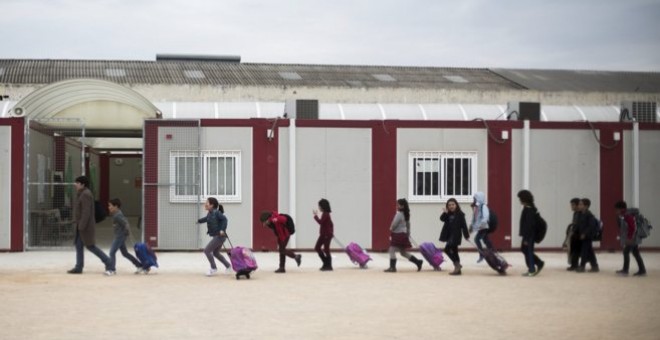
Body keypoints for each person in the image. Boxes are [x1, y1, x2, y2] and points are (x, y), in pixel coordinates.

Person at [67, 176, 113, 275]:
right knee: (79, 246)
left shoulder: (85, 194)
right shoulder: (81, 193)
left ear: (83, 184)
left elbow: (86, 212)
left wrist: (81, 226)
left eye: (77, 183)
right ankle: (78, 267)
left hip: (85, 226)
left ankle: (109, 262)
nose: (75, 184)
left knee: (91, 246)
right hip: (81, 226)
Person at [384, 198, 423, 273]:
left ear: (402, 206)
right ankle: (418, 262)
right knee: (402, 252)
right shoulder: (406, 214)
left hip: (398, 234)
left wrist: (391, 228)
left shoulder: (399, 214)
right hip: (403, 234)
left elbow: (394, 223)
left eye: (398, 205)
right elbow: (408, 224)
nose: (396, 206)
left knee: (391, 249)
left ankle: (392, 268)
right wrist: (408, 232)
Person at [107, 198, 143, 274]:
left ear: (116, 206)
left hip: (119, 237)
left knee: (112, 252)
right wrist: (126, 233)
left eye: (110, 206)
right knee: (125, 253)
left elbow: (125, 223)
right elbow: (125, 222)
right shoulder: (117, 214)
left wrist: (126, 233)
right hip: (120, 236)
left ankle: (112, 269)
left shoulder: (117, 215)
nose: (109, 207)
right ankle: (139, 265)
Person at [197, 197, 231, 276]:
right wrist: (199, 221)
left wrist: (222, 229)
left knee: (207, 250)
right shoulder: (210, 213)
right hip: (218, 237)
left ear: (212, 205)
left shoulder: (217, 213)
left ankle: (213, 268)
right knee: (215, 253)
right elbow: (207, 219)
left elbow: (225, 219)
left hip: (220, 236)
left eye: (207, 203)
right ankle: (228, 266)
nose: (205, 204)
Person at [615, 201, 646, 276]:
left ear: (621, 209)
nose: (616, 211)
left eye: (617, 209)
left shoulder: (627, 216)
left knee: (626, 252)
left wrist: (630, 238)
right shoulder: (623, 216)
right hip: (632, 238)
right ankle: (642, 270)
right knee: (636, 253)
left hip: (632, 238)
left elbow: (632, 227)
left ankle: (625, 270)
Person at [517, 189, 545, 277]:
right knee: (524, 249)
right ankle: (539, 263)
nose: (519, 200)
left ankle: (532, 269)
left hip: (529, 235)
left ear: (524, 199)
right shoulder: (528, 208)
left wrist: (526, 238)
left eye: (520, 198)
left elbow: (529, 226)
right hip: (528, 235)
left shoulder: (529, 210)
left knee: (529, 251)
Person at [439, 198, 470, 275]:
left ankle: (457, 265)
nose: (451, 206)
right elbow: (442, 219)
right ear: (447, 206)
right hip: (449, 235)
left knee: (447, 249)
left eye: (453, 204)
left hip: (456, 236)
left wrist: (466, 235)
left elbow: (464, 226)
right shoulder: (448, 213)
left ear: (456, 205)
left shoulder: (460, 214)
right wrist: (445, 213)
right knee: (455, 252)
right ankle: (458, 269)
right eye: (449, 205)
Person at [576, 198, 599, 273]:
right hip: (582, 236)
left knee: (584, 251)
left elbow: (591, 226)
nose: (579, 206)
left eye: (581, 204)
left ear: (586, 206)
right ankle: (595, 266)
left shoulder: (589, 215)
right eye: (579, 204)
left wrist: (585, 234)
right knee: (590, 251)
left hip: (587, 236)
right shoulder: (580, 214)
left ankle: (582, 266)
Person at [471, 192, 493, 263]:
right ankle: (491, 252)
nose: (473, 199)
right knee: (485, 240)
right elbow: (476, 218)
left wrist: (481, 225)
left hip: (483, 227)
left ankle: (482, 254)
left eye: (475, 198)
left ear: (478, 198)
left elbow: (485, 217)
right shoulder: (478, 207)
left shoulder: (483, 206)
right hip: (481, 227)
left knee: (477, 239)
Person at [313, 198, 334, 271]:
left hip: (326, 235)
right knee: (318, 248)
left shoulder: (325, 214)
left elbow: (320, 222)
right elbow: (331, 224)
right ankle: (326, 263)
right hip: (324, 234)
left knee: (325, 249)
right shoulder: (326, 214)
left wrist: (315, 216)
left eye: (319, 206)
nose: (319, 207)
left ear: (323, 206)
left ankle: (328, 265)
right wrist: (331, 232)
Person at [564, 197, 582, 271]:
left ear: (578, 205)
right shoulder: (575, 213)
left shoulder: (580, 214)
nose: (571, 207)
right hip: (574, 234)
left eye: (573, 205)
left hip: (578, 235)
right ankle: (574, 264)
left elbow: (579, 225)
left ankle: (575, 265)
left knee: (575, 250)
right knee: (572, 250)